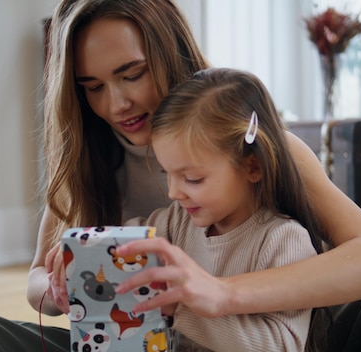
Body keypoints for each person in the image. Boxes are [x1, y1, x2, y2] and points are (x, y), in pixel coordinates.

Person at [0, 0, 361, 351]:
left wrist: (216, 296)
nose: (115, 103)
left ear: (168, 53)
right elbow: (41, 281)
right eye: (91, 87)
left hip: (282, 338)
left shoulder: (250, 142)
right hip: (147, 342)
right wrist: (57, 290)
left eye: (131, 73)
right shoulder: (87, 164)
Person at [139, 66, 328, 351]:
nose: (173, 192)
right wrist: (79, 255)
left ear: (252, 166)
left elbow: (282, 345)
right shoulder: (177, 222)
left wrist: (181, 308)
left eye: (192, 179)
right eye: (167, 173)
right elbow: (125, 243)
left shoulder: (283, 241)